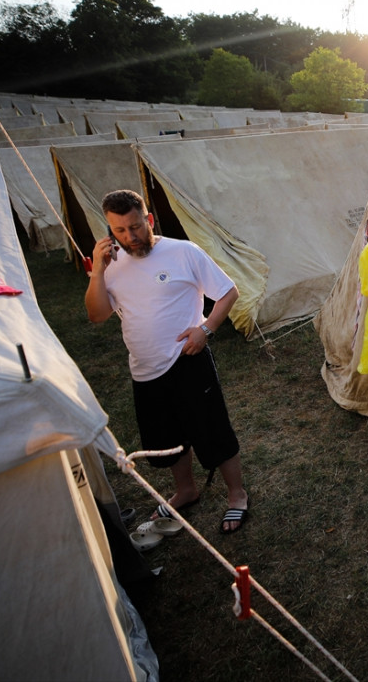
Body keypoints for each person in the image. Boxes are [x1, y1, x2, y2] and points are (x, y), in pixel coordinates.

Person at [85, 189, 249, 534]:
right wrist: (98, 271)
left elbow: (228, 291)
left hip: (187, 360)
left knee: (212, 430)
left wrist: (206, 329)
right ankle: (186, 491)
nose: (130, 236)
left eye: (135, 226)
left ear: (149, 219)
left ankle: (237, 495)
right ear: (110, 230)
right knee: (167, 440)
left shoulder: (183, 252)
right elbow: (97, 315)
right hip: (145, 369)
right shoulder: (110, 266)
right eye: (120, 230)